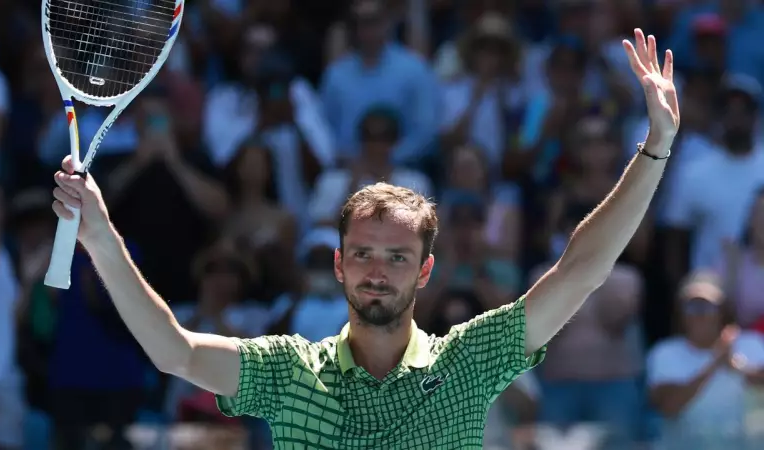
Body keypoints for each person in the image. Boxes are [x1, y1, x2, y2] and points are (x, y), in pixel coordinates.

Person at [48, 28, 679, 448]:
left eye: (397, 257)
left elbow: (580, 270)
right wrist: (100, 237)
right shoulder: (287, 372)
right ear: (339, 265)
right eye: (363, 255)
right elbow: (177, 353)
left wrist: (656, 146)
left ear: (425, 271)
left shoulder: (467, 363)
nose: (378, 271)